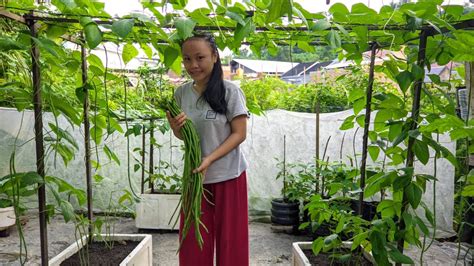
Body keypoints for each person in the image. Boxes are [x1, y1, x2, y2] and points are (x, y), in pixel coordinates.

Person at [166, 33, 250, 266]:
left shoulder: (230, 91)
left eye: (200, 57)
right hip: (195, 177)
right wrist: (176, 129)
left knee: (231, 243)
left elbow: (239, 133)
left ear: (214, 56)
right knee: (193, 239)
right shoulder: (181, 94)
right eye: (187, 59)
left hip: (228, 176)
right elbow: (186, 136)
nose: (193, 65)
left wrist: (209, 159)